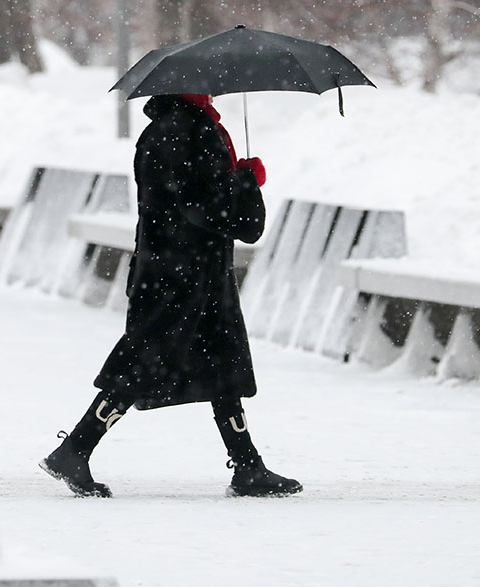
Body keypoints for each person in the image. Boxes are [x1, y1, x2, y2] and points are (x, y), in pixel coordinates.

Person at [40, 93, 301, 498]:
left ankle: (248, 465)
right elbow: (211, 210)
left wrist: (234, 180)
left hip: (172, 270)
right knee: (144, 365)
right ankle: (76, 447)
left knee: (218, 366)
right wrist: (247, 183)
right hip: (186, 275)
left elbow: (185, 200)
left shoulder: (162, 130)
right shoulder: (193, 132)